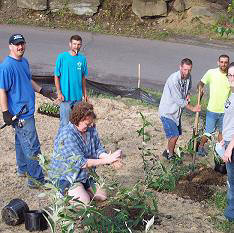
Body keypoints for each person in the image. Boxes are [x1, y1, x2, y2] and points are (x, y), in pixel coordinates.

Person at [0, 34, 53, 188]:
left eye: (22, 44)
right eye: (16, 45)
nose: (20, 47)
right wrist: (5, 112)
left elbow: (28, 80)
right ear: (10, 46)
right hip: (20, 113)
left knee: (20, 140)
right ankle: (36, 180)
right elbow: (2, 90)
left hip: (26, 109)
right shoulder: (6, 66)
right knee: (32, 146)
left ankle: (23, 169)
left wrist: (43, 91)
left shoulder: (24, 62)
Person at [49, 102, 123, 205]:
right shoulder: (67, 135)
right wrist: (106, 160)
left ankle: (81, 189)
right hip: (67, 177)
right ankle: (63, 193)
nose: (89, 127)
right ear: (77, 119)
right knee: (83, 202)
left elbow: (98, 149)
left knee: (102, 196)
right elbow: (82, 163)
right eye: (86, 124)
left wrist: (110, 158)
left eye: (90, 123)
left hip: (83, 175)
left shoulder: (90, 130)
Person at [159, 58, 201, 160]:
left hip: (176, 113)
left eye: (189, 70)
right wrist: (192, 108)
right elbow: (178, 100)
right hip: (167, 112)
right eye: (185, 69)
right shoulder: (174, 80)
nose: (187, 72)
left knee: (175, 134)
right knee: (174, 135)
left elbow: (188, 89)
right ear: (180, 67)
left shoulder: (188, 77)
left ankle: (168, 151)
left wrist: (187, 95)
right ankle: (170, 156)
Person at [197, 55, 230, 156]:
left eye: (225, 62)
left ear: (228, 63)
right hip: (212, 109)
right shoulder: (211, 72)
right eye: (221, 62)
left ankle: (220, 151)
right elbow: (201, 83)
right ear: (218, 62)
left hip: (225, 111)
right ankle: (200, 147)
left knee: (222, 133)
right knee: (208, 132)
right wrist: (200, 88)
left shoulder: (230, 75)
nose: (223, 64)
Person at [54, 35, 88, 130]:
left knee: (77, 123)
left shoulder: (82, 59)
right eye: (74, 44)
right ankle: (62, 144)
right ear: (70, 44)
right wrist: (59, 92)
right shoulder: (62, 57)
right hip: (65, 97)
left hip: (78, 98)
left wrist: (85, 94)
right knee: (65, 124)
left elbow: (83, 77)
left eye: (78, 44)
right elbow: (56, 76)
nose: (76, 46)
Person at [221, 62, 234, 221]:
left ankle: (231, 214)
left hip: (233, 144)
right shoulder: (231, 93)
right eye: (229, 75)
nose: (231, 78)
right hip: (228, 140)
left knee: (232, 181)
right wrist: (223, 138)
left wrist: (229, 148)